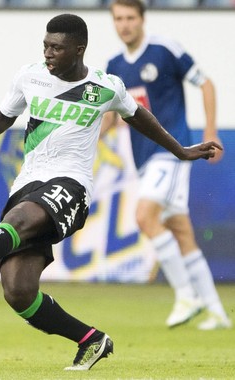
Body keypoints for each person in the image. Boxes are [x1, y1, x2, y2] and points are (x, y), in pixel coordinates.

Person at [0, 13, 221, 371]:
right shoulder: (29, 76)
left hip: (71, 186)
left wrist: (182, 150)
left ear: (79, 50)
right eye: (45, 46)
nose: (48, 53)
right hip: (28, 183)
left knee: (20, 219)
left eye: (57, 48)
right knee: (18, 291)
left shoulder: (104, 87)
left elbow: (140, 117)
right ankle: (91, 340)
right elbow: (3, 114)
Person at [101, 0, 231, 330]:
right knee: (181, 232)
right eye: (118, 18)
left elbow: (206, 83)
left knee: (144, 216)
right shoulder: (114, 65)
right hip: (144, 159)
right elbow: (114, 116)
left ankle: (186, 295)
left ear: (142, 19)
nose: (124, 24)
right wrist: (88, 140)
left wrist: (211, 130)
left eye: (130, 17)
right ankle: (217, 313)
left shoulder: (165, 50)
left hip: (173, 152)